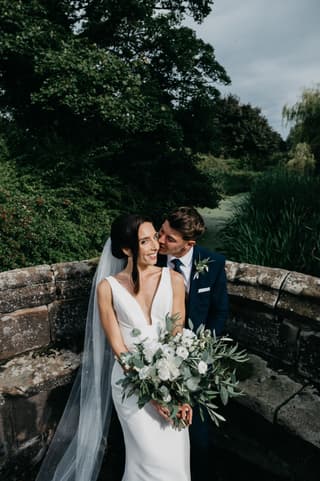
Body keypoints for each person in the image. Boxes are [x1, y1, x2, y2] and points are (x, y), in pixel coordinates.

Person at [35, 213, 192, 481]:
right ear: (126, 249)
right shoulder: (107, 289)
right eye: (145, 241)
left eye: (155, 237)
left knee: (175, 463)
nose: (156, 245)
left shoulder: (174, 280)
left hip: (170, 383)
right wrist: (151, 394)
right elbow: (119, 349)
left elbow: (177, 340)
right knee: (148, 461)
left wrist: (179, 393)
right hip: (131, 387)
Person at [157, 206, 229, 481]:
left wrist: (202, 350)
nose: (161, 241)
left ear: (190, 244)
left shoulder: (213, 262)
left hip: (197, 360)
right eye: (161, 232)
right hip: (158, 357)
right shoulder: (152, 261)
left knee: (198, 435)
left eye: (169, 239)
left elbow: (220, 311)